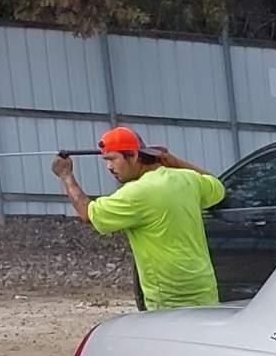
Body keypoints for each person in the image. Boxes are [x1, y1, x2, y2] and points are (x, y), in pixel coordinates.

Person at [51, 127, 226, 310]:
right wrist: (173, 160)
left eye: (112, 159)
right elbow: (216, 186)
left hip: (169, 296)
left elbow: (88, 213)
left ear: (133, 156)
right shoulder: (188, 180)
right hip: (205, 287)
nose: (109, 167)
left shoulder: (137, 193)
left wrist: (66, 175)